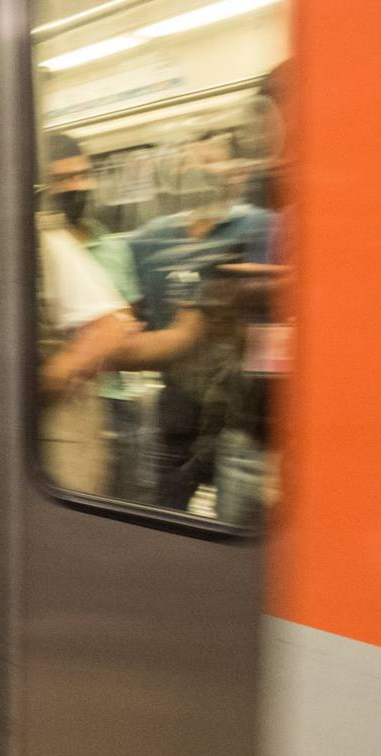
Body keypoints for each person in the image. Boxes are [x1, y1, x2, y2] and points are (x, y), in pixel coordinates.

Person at [117, 129, 275, 514]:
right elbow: (129, 307)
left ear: (236, 173)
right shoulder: (151, 240)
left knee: (233, 520)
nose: (204, 174)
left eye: (214, 163)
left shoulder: (261, 229)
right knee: (160, 512)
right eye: (195, 164)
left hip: (238, 410)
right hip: (176, 405)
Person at [44, 133, 147, 499]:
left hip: (117, 399)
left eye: (82, 175)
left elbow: (127, 324)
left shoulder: (114, 247)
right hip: (66, 413)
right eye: (64, 179)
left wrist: (81, 353)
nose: (76, 187)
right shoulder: (44, 246)